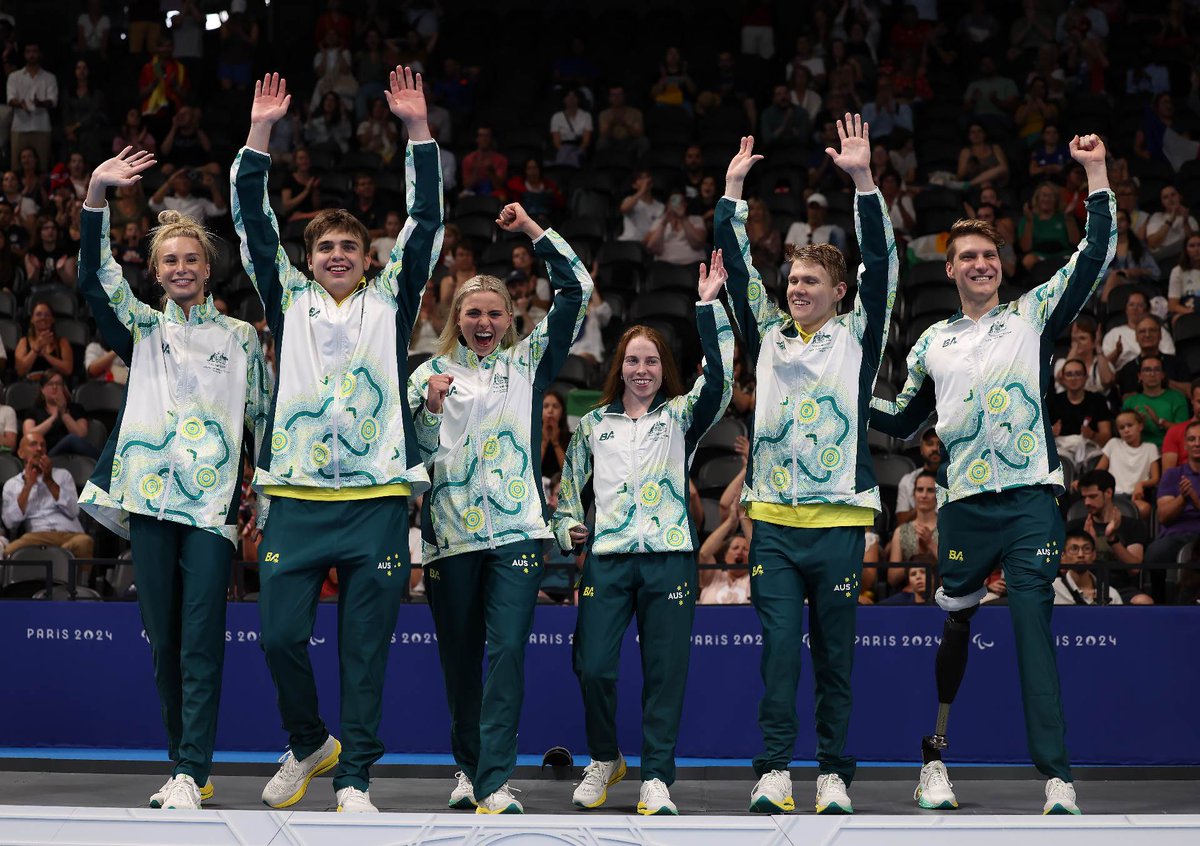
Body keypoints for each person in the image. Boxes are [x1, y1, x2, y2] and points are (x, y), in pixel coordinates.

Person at [870, 131, 1114, 815]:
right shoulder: (932, 342)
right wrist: (840, 384)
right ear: (949, 270)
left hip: (1033, 499)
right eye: (966, 257)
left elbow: (1092, 257)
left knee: (1034, 620)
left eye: (988, 254)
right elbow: (897, 421)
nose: (979, 262)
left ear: (1001, 265)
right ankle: (936, 759)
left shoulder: (1031, 315)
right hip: (964, 507)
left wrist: (1094, 171)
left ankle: (1057, 777)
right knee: (956, 625)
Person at [231, 68, 444, 815]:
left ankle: (354, 777)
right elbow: (253, 222)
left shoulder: (393, 300)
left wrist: (418, 133)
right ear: (310, 256)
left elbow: (427, 224)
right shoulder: (286, 299)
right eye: (325, 246)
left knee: (364, 654)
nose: (337, 255)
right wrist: (260, 134)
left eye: (349, 245)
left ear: (366, 255)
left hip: (378, 499)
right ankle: (309, 741)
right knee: (278, 639)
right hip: (294, 496)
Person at [76, 147, 269, 810]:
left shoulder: (243, 338)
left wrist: (262, 499)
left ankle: (190, 767)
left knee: (202, 643)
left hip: (212, 511)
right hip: (151, 503)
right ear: (156, 273)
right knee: (164, 640)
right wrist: (96, 198)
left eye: (191, 258)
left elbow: (265, 419)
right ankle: (185, 763)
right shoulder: (143, 327)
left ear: (207, 269)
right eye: (170, 260)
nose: (181, 268)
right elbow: (97, 279)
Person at [715, 118, 898, 816]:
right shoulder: (766, 335)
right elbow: (736, 269)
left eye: (810, 281)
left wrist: (863, 184)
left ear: (839, 290)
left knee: (835, 662)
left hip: (840, 523)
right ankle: (771, 771)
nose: (796, 289)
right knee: (778, 659)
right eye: (791, 279)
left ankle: (831, 773)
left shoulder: (859, 334)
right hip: (775, 525)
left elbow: (883, 265)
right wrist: (733, 190)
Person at [409, 201, 591, 816]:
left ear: (511, 320)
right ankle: (468, 770)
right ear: (455, 319)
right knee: (459, 660)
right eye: (473, 313)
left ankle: (494, 778)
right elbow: (417, 461)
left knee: (507, 652)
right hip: (448, 537)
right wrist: (431, 409)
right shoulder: (425, 374)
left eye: (494, 313)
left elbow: (578, 288)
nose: (484, 322)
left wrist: (537, 232)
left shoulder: (527, 364)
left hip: (517, 534)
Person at [553, 254, 732, 815]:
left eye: (651, 360)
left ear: (663, 367)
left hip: (670, 559)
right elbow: (567, 486)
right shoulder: (593, 425)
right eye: (632, 359)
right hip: (607, 558)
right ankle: (605, 758)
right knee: (594, 666)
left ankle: (656, 775)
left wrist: (709, 309)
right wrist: (564, 526)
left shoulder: (680, 417)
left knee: (664, 673)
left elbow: (721, 380)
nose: (641, 369)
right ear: (618, 365)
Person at [2, 430, 93, 558]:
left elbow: (74, 511)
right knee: (10, 552)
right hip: (36, 537)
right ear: (20, 453)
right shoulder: (12, 484)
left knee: (84, 542)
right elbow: (10, 523)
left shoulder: (63, 475)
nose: (39, 448)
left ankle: (64, 564)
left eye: (43, 445)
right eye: (33, 444)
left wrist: (49, 481)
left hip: (69, 534)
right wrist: (28, 486)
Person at [1147, 420, 1200, 600]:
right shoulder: (1172, 475)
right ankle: (1158, 602)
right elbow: (1164, 516)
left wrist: (1194, 498)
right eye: (1192, 439)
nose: (1197, 443)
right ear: (1185, 444)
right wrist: (1183, 498)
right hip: (1175, 534)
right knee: (1155, 552)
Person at [6, 43, 56, 172]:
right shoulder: (14, 77)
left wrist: (40, 103)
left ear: (39, 54)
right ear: (24, 54)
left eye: (34, 51)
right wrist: (20, 104)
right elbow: (10, 99)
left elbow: (52, 101)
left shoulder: (49, 77)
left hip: (41, 126)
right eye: (28, 51)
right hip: (19, 126)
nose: (32, 55)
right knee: (16, 166)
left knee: (42, 165)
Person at [20, 374, 96, 458]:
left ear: (63, 388)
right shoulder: (33, 411)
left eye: (58, 384)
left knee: (72, 439)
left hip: (77, 456)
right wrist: (54, 417)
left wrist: (63, 413)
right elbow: (29, 436)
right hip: (47, 455)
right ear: (42, 389)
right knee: (71, 439)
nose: (55, 387)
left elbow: (81, 434)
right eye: (50, 384)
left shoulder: (76, 408)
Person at [1122, 355, 1188, 449]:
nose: (1152, 374)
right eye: (1147, 370)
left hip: (1170, 450)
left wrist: (1159, 421)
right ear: (1140, 376)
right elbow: (1124, 436)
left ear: (1162, 375)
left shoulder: (1177, 398)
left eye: (1157, 369)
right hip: (1139, 451)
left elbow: (1183, 432)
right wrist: (1138, 425)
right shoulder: (1130, 402)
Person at [1115, 318, 1189, 398]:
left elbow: (1189, 393)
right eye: (1142, 331)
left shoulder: (1177, 363)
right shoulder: (1128, 369)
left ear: (1160, 335)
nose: (1147, 335)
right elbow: (1126, 401)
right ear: (1136, 337)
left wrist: (1164, 381)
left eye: (1152, 330)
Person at [888, 470, 938, 580]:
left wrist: (931, 545)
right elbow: (892, 578)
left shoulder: (947, 529)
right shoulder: (901, 531)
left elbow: (955, 568)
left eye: (930, 490)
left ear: (938, 495)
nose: (924, 495)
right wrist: (916, 562)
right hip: (910, 593)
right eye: (920, 490)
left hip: (942, 592)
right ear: (913, 494)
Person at [1055, 531, 1121, 605]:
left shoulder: (1110, 594)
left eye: (1086, 549)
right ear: (1063, 555)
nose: (1081, 555)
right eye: (1074, 549)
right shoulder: (1050, 590)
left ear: (1094, 555)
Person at [645, 189, 707, 266]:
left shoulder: (696, 220)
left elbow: (697, 244)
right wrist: (664, 223)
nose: (676, 204)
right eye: (673, 201)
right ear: (667, 204)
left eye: (679, 201)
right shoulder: (659, 222)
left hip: (693, 264)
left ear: (685, 204)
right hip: (664, 265)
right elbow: (652, 248)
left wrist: (683, 218)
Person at [15, 301, 73, 381]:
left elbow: (68, 370)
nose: (43, 318)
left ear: (52, 319)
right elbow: (20, 371)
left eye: (47, 315)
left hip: (54, 386)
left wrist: (45, 355)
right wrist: (36, 349)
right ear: (32, 319)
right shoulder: (24, 341)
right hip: (30, 386)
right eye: (38, 314)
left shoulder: (62, 342)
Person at [894, 428, 942, 525]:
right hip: (916, 533)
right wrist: (922, 507)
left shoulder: (957, 479)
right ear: (921, 449)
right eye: (929, 444)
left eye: (940, 445)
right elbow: (901, 522)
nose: (935, 448)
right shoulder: (908, 480)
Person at [618, 170, 663, 243]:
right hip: (628, 242)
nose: (646, 180)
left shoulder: (660, 206)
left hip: (647, 244)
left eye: (648, 177)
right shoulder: (629, 200)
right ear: (634, 185)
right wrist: (642, 190)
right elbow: (624, 209)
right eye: (641, 178)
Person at [1168, 233, 1200, 323]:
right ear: (1186, 250)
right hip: (1189, 311)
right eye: (1192, 246)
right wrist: (1194, 313)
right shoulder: (1178, 271)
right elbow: (1173, 305)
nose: (1196, 249)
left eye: (1199, 245)